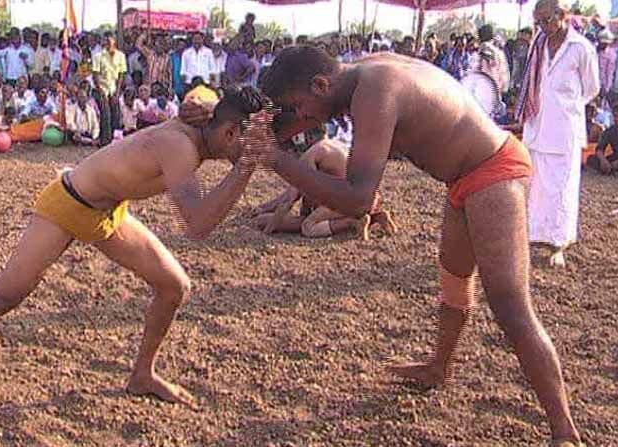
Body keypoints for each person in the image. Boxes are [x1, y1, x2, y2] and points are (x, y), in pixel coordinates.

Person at [180, 37, 584, 445]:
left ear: (320, 86)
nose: (301, 117)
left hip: (493, 171)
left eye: (301, 106)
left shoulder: (375, 91)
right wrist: (221, 114)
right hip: (464, 176)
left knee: (510, 307)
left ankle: (565, 432)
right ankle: (438, 367)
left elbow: (359, 199)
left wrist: (278, 160)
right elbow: (285, 120)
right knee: (454, 275)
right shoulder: (357, 77)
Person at [0, 87, 267, 425]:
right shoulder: (181, 147)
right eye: (248, 141)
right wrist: (246, 164)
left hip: (109, 213)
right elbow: (198, 223)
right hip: (69, 204)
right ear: (230, 131)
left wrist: (197, 101)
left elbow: (203, 96)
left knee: (174, 286)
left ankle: (142, 375)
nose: (256, 148)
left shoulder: (209, 117)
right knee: (4, 296)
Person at [517, 0, 599, 268]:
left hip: (564, 128)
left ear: (562, 16)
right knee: (535, 185)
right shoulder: (538, 44)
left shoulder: (581, 48)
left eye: (545, 20)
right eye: (537, 21)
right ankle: (532, 235)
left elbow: (592, 89)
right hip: (537, 124)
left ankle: (558, 244)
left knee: (561, 189)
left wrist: (563, 103)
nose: (541, 26)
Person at [254, 137, 396, 239]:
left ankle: (351, 223)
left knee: (307, 227)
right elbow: (293, 191)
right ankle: (377, 217)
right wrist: (266, 207)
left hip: (348, 200)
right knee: (263, 219)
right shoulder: (328, 146)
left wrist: (266, 233)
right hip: (369, 198)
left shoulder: (307, 160)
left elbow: (288, 201)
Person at [92, 33, 127, 146]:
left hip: (114, 89)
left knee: (116, 114)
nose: (108, 43)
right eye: (106, 41)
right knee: (105, 114)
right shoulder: (98, 56)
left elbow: (121, 74)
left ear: (114, 41)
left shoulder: (121, 56)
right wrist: (101, 93)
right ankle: (105, 142)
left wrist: (117, 92)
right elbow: (95, 75)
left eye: (110, 41)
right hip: (101, 89)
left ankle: (116, 140)